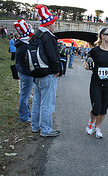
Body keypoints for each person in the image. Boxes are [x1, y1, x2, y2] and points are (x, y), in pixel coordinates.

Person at [84, 28, 108, 138]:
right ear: (102, 36)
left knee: (103, 110)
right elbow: (87, 63)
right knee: (96, 109)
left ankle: (97, 127)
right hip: (96, 83)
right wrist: (87, 66)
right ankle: (91, 122)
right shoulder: (95, 51)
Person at [31, 5, 62, 137]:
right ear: (49, 24)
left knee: (37, 101)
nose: (55, 25)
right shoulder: (48, 36)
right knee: (47, 103)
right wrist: (57, 70)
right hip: (48, 73)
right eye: (54, 23)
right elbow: (53, 55)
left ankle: (35, 126)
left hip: (37, 73)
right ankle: (45, 129)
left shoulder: (36, 34)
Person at [14, 19, 34, 123]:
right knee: (24, 96)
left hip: (21, 72)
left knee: (23, 94)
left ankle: (26, 114)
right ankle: (24, 117)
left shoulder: (19, 45)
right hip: (26, 74)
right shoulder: (25, 47)